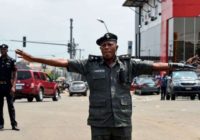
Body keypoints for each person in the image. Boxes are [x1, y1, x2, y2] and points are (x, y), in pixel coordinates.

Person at [15, 33, 191, 140]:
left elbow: (154, 66)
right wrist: (35, 59)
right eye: (103, 45)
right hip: (99, 122)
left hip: (122, 121)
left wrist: (179, 65)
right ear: (100, 48)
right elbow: (63, 61)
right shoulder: (89, 65)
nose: (106, 47)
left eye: (109, 44)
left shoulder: (129, 65)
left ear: (116, 46)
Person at [0, 44, 19, 131]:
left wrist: (13, 86)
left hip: (8, 86)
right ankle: (0, 124)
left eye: (4, 49)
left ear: (7, 50)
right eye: (1, 49)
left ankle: (14, 125)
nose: (2, 50)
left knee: (10, 106)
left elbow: (15, 74)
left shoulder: (11, 61)